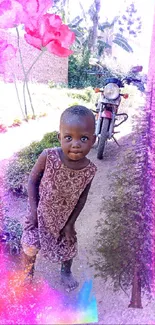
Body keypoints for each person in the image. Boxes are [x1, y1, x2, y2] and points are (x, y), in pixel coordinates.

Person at [21, 105, 97, 292]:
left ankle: (66, 272)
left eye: (84, 138)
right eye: (68, 137)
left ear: (94, 140)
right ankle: (28, 272)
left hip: (64, 220)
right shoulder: (49, 156)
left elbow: (81, 198)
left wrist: (70, 224)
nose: (76, 144)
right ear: (59, 137)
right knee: (31, 245)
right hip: (39, 214)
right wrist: (33, 211)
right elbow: (32, 182)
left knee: (68, 246)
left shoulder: (90, 170)